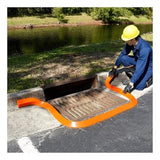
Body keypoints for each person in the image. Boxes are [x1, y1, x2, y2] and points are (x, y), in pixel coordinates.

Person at [109, 25, 152, 93]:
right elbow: (123, 54)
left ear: (133, 39)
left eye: (126, 40)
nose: (125, 42)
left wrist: (131, 83)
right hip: (138, 61)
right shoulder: (130, 43)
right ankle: (135, 77)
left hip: (147, 66)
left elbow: (140, 68)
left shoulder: (145, 49)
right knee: (123, 58)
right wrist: (115, 67)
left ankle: (150, 78)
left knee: (138, 87)